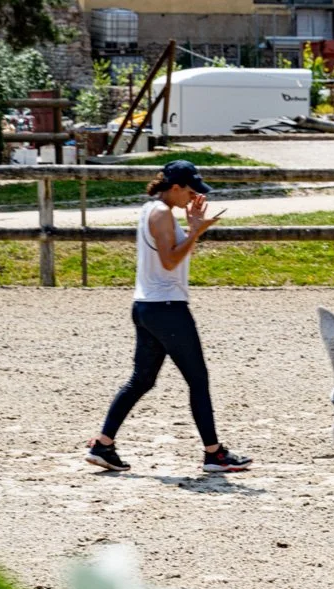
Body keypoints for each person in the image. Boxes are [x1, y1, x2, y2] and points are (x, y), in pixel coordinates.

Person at [85, 159, 253, 474]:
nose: (194, 197)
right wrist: (196, 231)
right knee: (197, 380)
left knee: (141, 380)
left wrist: (190, 229)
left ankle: (103, 445)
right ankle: (214, 454)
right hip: (167, 308)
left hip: (147, 306)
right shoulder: (162, 213)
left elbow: (170, 255)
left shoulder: (152, 209)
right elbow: (170, 261)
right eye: (190, 191)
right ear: (174, 187)